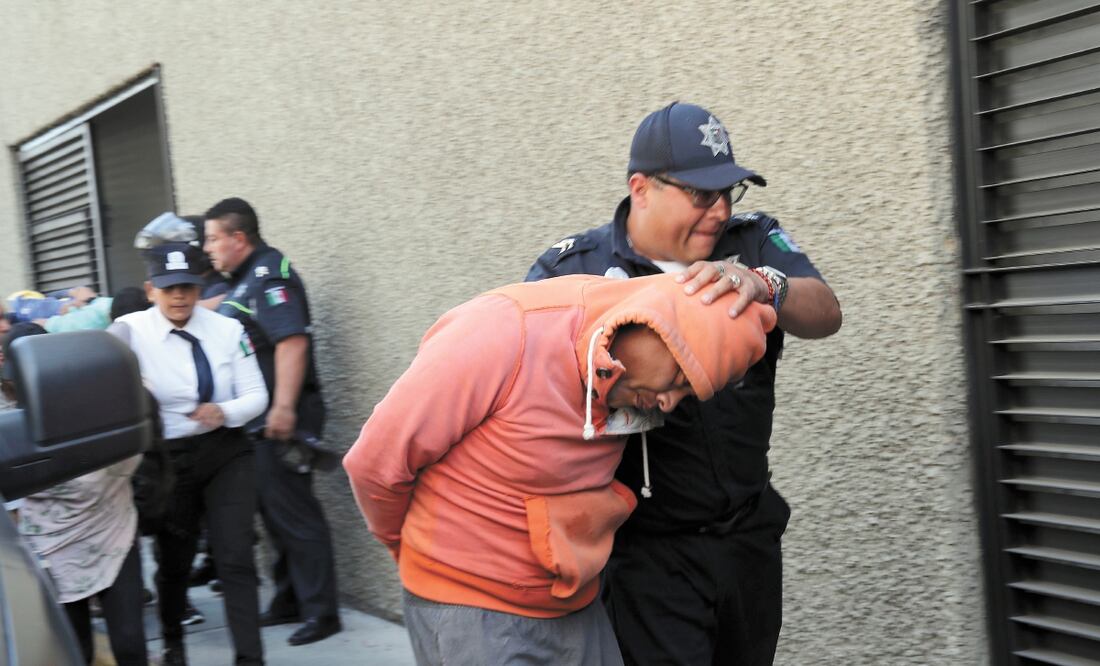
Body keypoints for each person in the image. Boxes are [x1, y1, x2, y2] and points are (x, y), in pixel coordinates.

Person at [527, 101, 843, 665]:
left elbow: (826, 313)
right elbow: (529, 388)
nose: (720, 210)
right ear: (641, 189)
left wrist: (766, 283)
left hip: (748, 538)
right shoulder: (574, 270)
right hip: (649, 556)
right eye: (701, 194)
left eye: (728, 192)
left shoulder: (753, 240)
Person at [344, 272, 776, 665]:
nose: (669, 403)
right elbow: (375, 462)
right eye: (679, 378)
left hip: (575, 604)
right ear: (647, 324)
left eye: (689, 394)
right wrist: (404, 547)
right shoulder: (503, 332)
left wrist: (765, 280)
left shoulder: (633, 372)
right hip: (471, 606)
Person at [111, 241, 269, 666]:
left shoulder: (227, 330)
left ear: (199, 287)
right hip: (167, 460)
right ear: (151, 290)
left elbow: (256, 396)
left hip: (225, 453)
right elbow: (104, 389)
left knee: (235, 556)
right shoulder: (127, 331)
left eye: (187, 286)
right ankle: (173, 643)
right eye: (168, 288)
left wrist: (224, 411)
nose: (179, 296)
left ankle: (250, 658)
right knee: (174, 562)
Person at [203, 197, 340, 646]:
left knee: (294, 513)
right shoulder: (243, 281)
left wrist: (283, 407)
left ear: (238, 238)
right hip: (255, 421)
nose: (207, 248)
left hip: (281, 417)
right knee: (273, 514)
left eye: (213, 239)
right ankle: (288, 599)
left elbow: (291, 341)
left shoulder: (268, 275)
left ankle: (321, 612)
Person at [8, 322, 148, 665]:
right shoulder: (6, 413)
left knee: (130, 642)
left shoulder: (90, 393)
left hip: (112, 529)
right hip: (49, 543)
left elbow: (130, 440)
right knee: (73, 648)